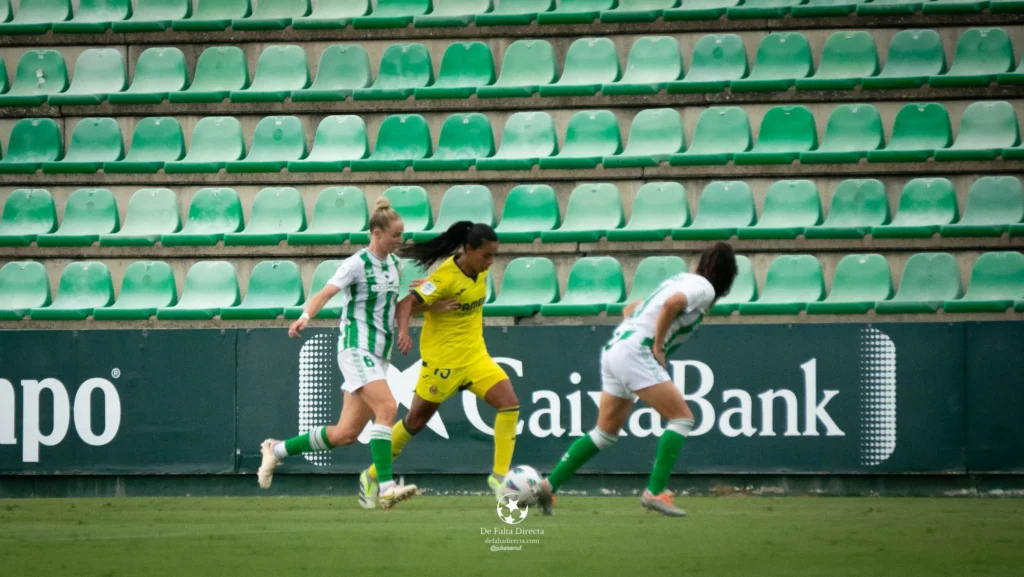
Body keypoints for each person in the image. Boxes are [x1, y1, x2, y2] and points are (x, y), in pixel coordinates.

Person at [534, 242, 738, 517]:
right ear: (726, 278)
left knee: (604, 433)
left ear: (702, 262)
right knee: (682, 418)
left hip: (616, 349)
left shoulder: (678, 279)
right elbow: (671, 304)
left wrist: (649, 329)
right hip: (636, 352)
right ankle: (655, 492)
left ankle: (549, 485)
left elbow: (633, 308)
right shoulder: (704, 287)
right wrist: (658, 346)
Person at [257, 197, 425, 510]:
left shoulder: (394, 266)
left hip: (379, 353)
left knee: (345, 434)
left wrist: (403, 330)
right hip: (355, 347)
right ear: (376, 233)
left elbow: (399, 306)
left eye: (402, 235)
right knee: (388, 407)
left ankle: (275, 451)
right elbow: (325, 293)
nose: (401, 240)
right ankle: (385, 486)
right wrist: (305, 317)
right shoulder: (356, 264)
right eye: (395, 235)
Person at [358, 221, 520, 509]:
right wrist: (406, 329)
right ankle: (371, 476)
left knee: (509, 404)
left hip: (475, 358)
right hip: (443, 363)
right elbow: (405, 304)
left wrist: (429, 303)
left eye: (494, 255)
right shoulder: (444, 277)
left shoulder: (479, 271)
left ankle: (499, 477)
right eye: (486, 255)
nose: (490, 262)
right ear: (468, 250)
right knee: (415, 422)